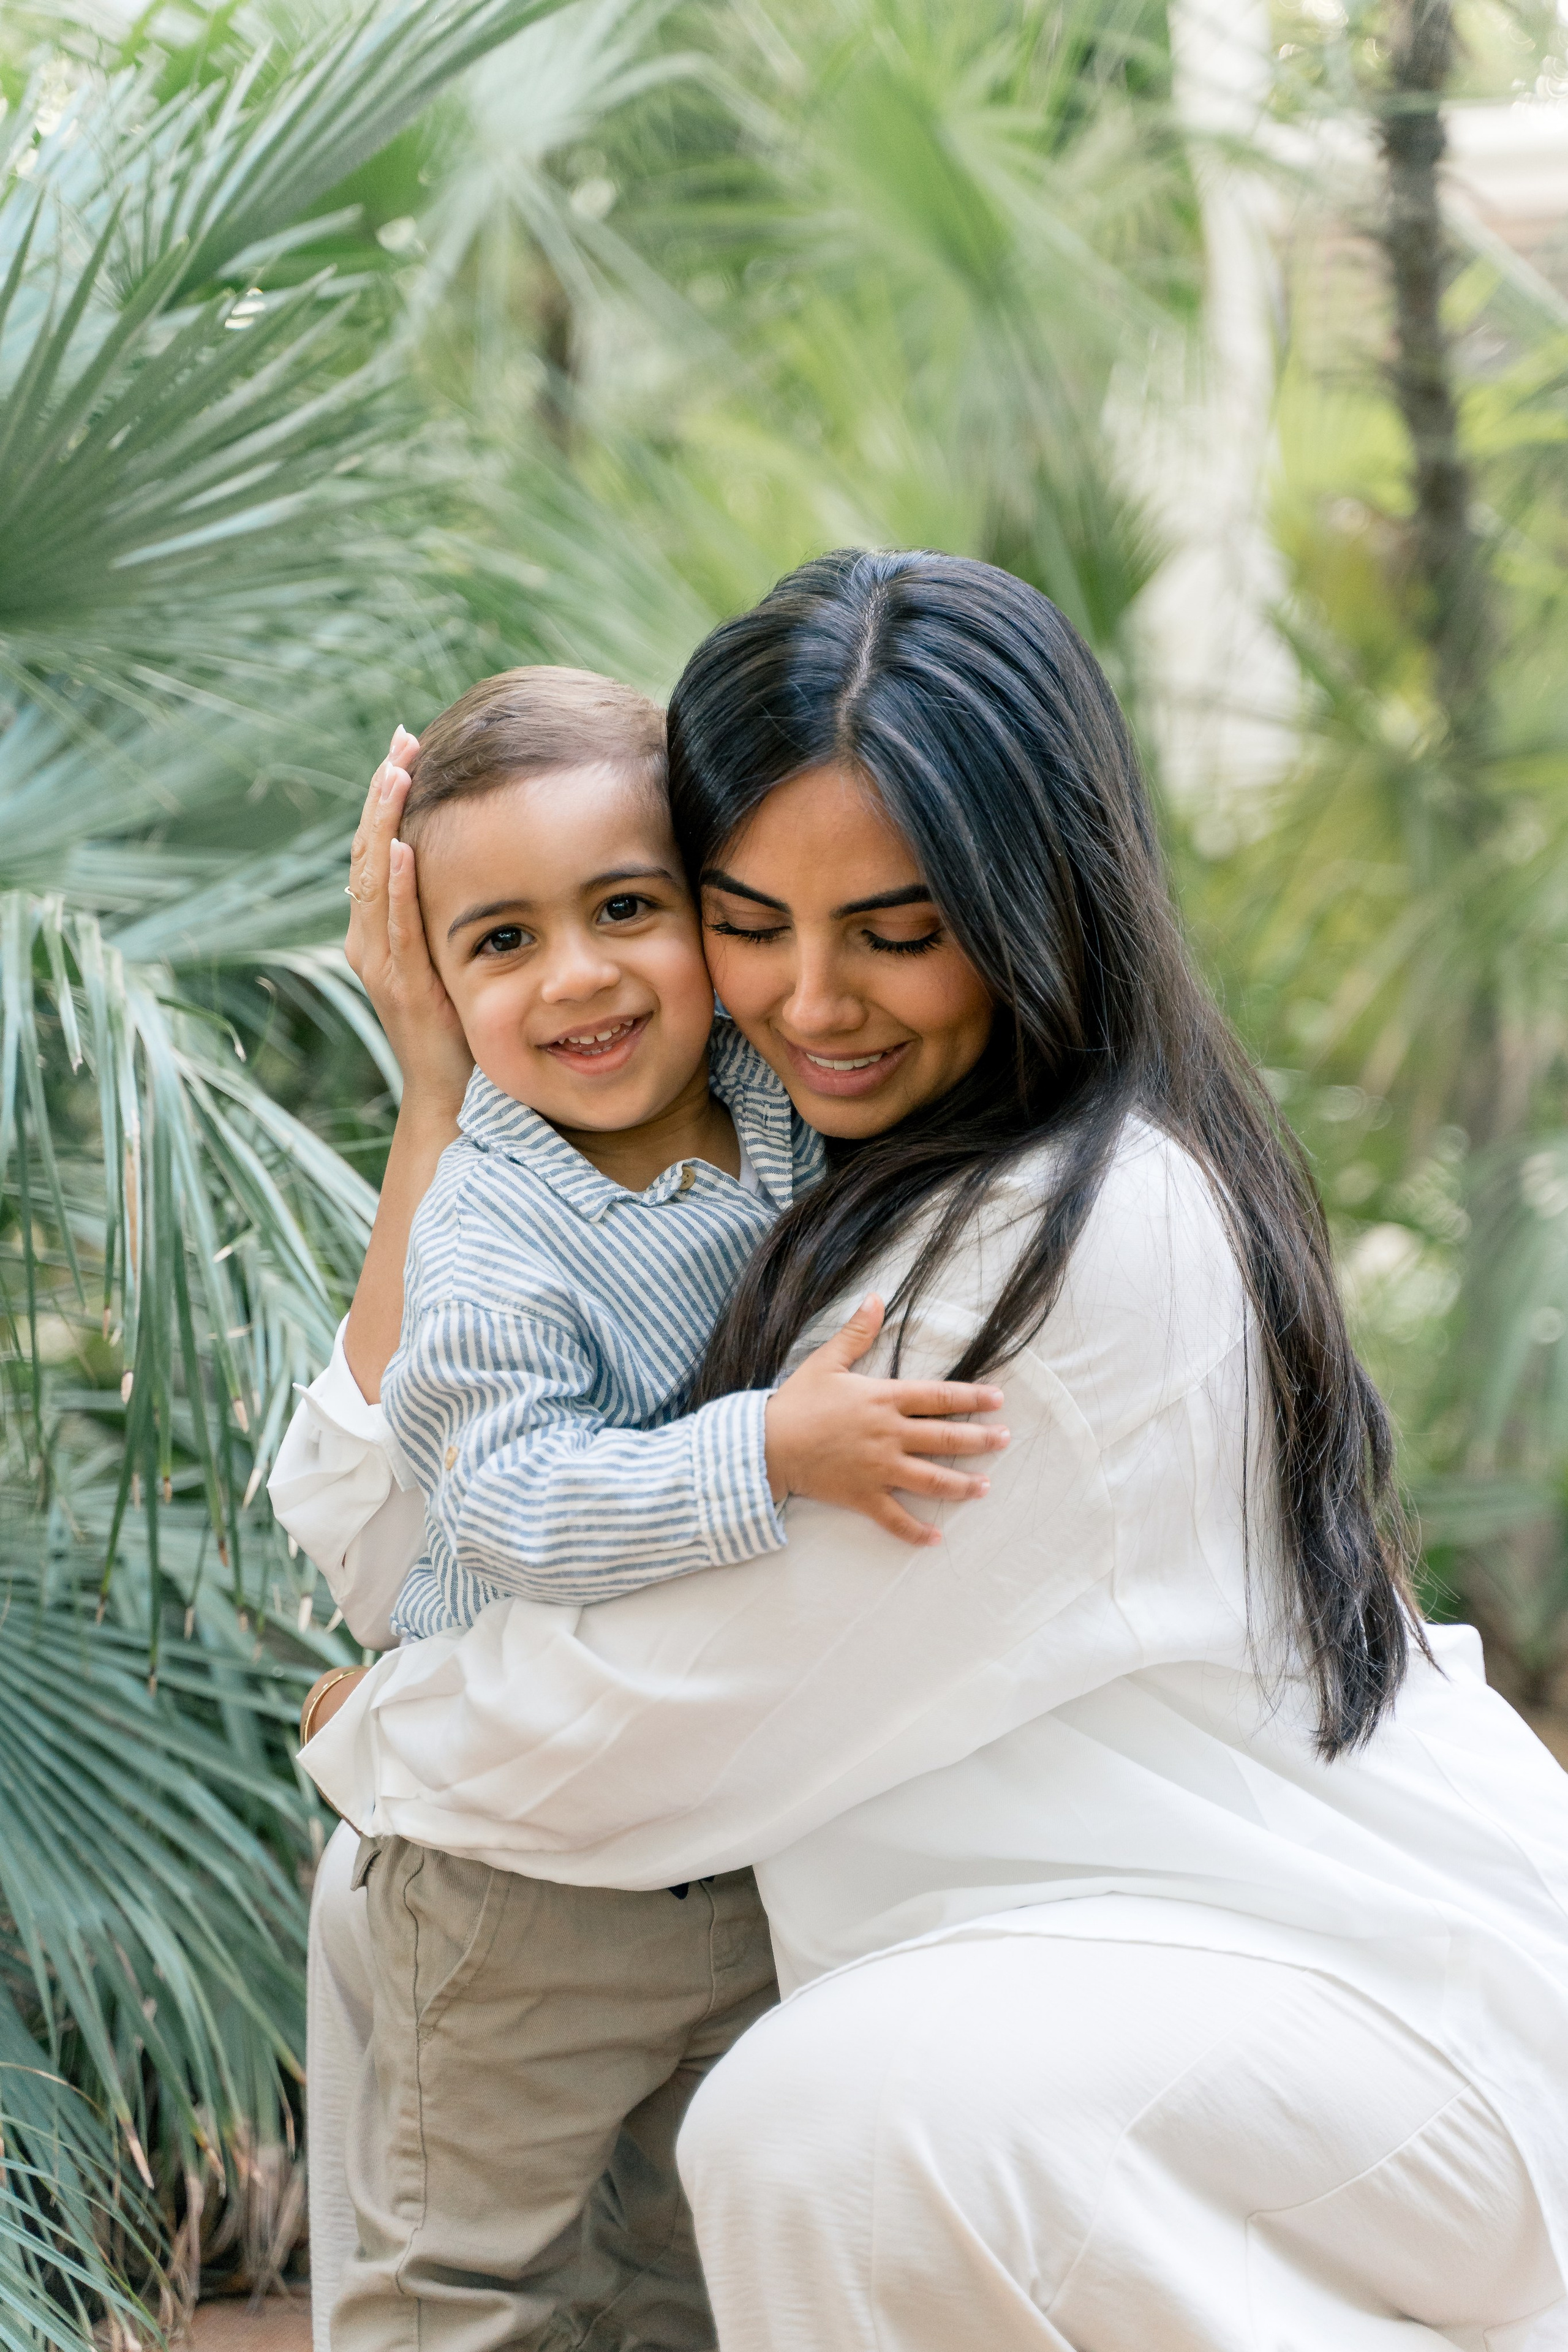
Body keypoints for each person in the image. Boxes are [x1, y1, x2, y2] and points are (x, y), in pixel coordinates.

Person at [297, 551, 1568, 2350]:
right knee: (392, 1908)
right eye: (750, 921)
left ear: (1037, 899)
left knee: (823, 2121)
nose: (813, 1002)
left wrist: (385, 1728)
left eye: (897, 934)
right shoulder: (771, 1148)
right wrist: (443, 1090)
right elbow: (407, 1536)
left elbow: (666, 1709)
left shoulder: (1075, 1238)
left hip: (1348, 2002)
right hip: (1077, 1978)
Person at [271, 663, 1005, 2352]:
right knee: (468, 2281)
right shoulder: (490, 1228)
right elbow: (508, 1501)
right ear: (436, 981)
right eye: (501, 940)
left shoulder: (771, 1102)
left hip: (730, 1860)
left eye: (625, 908)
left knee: (694, 2275)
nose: (579, 975)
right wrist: (771, 1452)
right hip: (516, 1877)